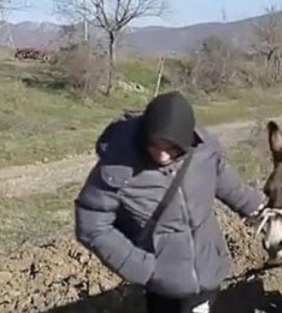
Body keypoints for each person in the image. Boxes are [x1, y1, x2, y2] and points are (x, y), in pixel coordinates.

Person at [74, 91, 266, 313]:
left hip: (208, 265)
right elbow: (92, 226)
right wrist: (143, 268)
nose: (162, 156)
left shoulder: (202, 150)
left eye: (172, 148)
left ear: (187, 143)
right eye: (155, 145)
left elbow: (220, 175)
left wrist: (255, 206)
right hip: (163, 281)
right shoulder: (118, 166)